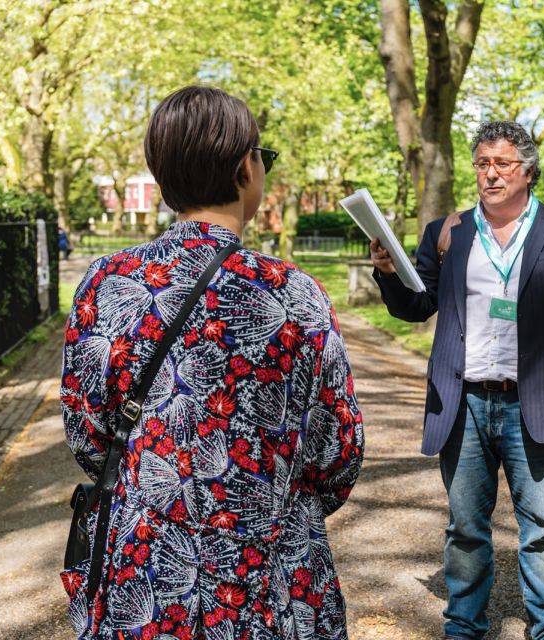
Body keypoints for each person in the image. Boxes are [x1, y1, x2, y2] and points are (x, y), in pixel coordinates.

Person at [59, 86, 364, 640]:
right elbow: (336, 452)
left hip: (146, 571)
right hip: (271, 573)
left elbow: (88, 434)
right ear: (245, 169)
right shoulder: (294, 295)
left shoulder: (107, 285)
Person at [370, 121, 544, 640]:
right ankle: (463, 624)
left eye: (502, 164)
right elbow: (418, 307)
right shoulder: (449, 232)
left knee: (542, 527)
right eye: (482, 163)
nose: (490, 174)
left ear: (528, 170)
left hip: (533, 402)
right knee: (465, 528)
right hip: (463, 402)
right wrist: (390, 274)